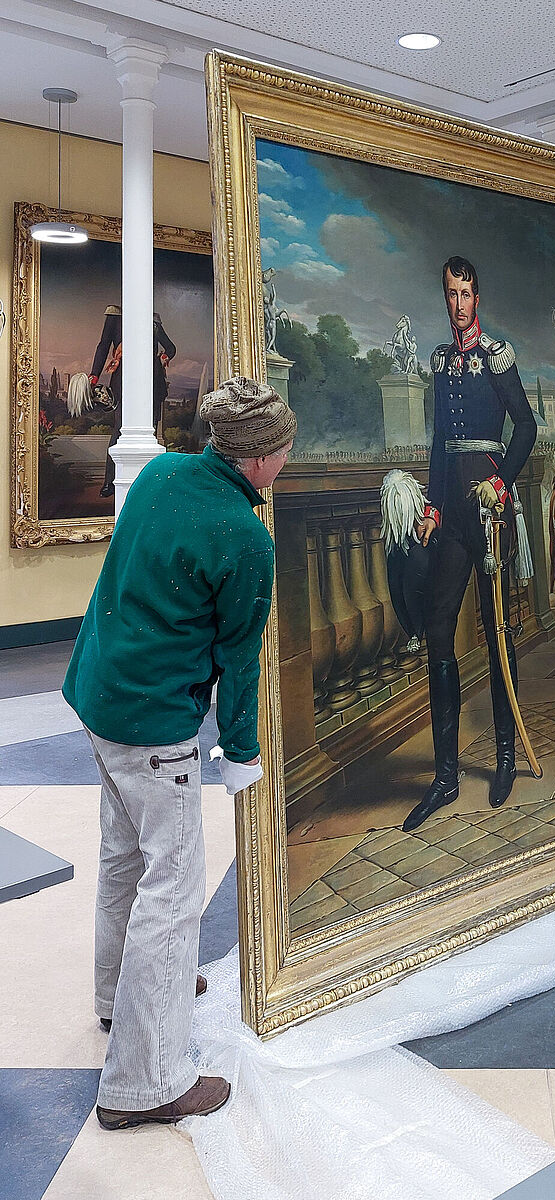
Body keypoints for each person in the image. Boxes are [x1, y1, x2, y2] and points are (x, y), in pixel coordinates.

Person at [63, 376, 297, 1129]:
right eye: (285, 445)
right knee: (172, 888)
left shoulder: (162, 470)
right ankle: (145, 1083)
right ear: (260, 460)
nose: (289, 454)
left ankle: (116, 999)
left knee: (124, 861)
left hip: (98, 695)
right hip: (153, 725)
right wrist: (243, 753)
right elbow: (241, 660)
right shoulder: (246, 537)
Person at [402, 255, 537, 832]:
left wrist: (501, 480)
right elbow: (438, 444)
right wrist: (431, 505)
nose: (458, 304)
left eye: (466, 294)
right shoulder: (439, 360)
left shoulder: (496, 355)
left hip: (491, 511)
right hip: (452, 514)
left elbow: (526, 427)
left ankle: (504, 756)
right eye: (450, 294)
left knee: (498, 633)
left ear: (478, 298)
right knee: (438, 630)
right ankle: (445, 775)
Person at [90, 306, 176, 497]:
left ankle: (152, 481)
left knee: (151, 429)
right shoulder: (115, 315)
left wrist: (164, 357)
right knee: (119, 429)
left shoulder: (153, 319)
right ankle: (110, 482)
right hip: (124, 379)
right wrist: (94, 375)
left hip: (152, 380)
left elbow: (170, 347)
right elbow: (104, 345)